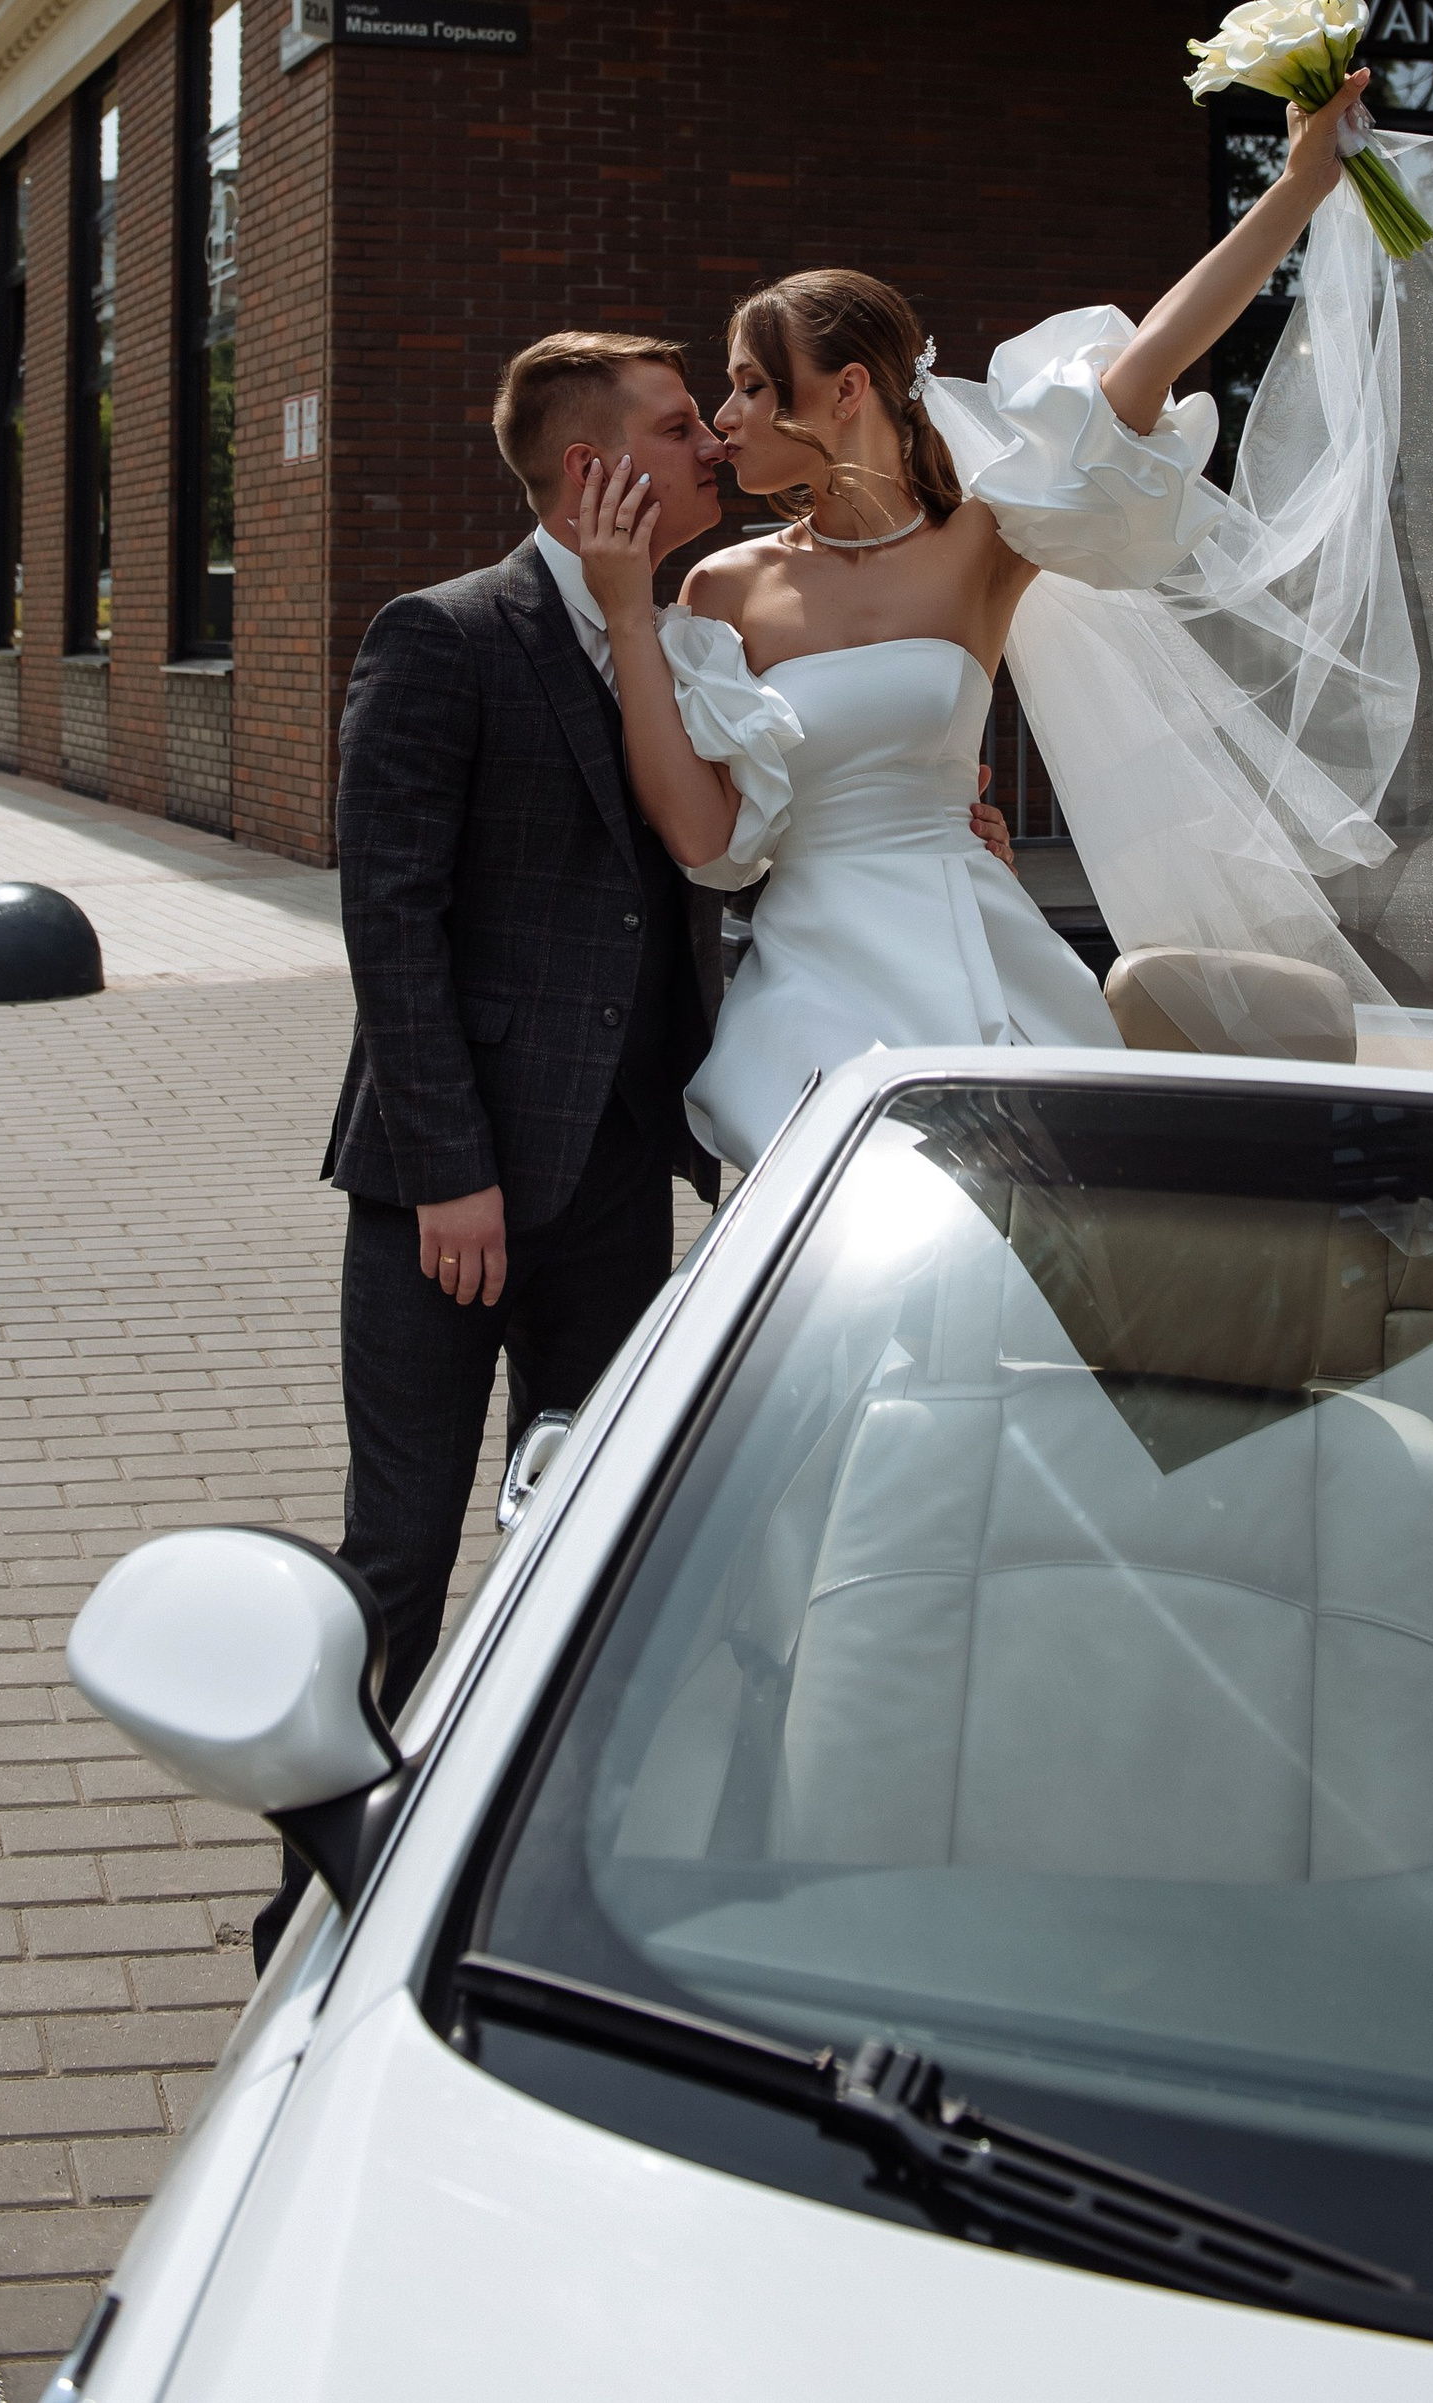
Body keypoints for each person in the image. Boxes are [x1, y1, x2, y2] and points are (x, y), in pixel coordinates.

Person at [577, 61, 1433, 1163]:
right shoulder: (720, 591)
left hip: (971, 927)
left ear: (840, 394)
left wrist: (1293, 191)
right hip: (815, 963)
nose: (723, 418)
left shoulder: (984, 543)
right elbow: (710, 839)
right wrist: (629, 611)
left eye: (745, 381)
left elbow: (1144, 370)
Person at [280, 320, 1018, 1971]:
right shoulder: (445, 634)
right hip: (441, 1191)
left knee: (601, 1537)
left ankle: (537, 1872)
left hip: (619, 1182)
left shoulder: (688, 632)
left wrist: (952, 833)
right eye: (684, 427)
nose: (716, 445)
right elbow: (389, 919)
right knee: (397, 1551)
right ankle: (312, 1886)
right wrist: (447, 1167)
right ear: (593, 468)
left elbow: (749, 839)